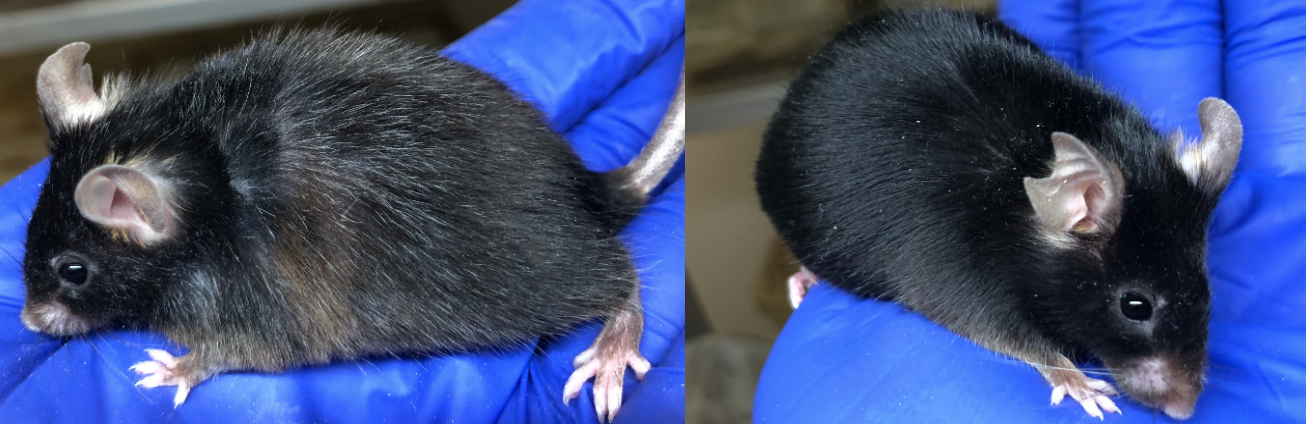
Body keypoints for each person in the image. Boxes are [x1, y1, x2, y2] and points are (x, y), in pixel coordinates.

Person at [0, 0, 685, 422]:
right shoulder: (184, 132)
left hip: (490, 230)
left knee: (526, 288)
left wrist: (199, 363)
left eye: (72, 272)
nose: (40, 314)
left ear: (133, 212)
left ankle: (616, 299)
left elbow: (273, 335)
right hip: (478, 160)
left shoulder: (204, 258)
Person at [754, 0, 1306, 422]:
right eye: (1134, 305)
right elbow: (959, 294)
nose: (1182, 405)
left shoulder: (1115, 215)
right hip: (828, 158)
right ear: (1076, 205)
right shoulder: (1010, 238)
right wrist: (1056, 364)